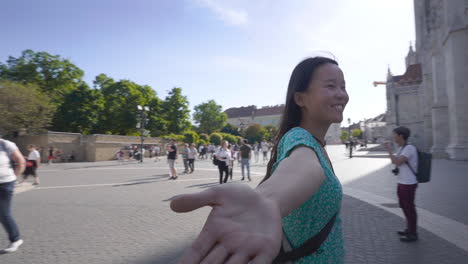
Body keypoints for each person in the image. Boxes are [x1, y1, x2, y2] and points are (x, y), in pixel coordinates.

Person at [170, 56, 348, 263]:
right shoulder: (299, 139)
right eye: (330, 86)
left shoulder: (315, 143)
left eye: (343, 87)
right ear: (300, 99)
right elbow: (302, 167)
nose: (341, 94)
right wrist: (268, 200)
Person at [384, 126, 419, 242]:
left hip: (409, 183)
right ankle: (409, 229)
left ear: (401, 136)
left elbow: (398, 162)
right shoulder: (401, 148)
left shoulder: (409, 148)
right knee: (404, 206)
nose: (393, 137)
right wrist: (391, 152)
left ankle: (413, 233)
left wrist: (389, 150)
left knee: (409, 207)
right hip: (402, 182)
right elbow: (395, 161)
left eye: (395, 135)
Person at [0, 137, 26, 253]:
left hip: (4, 184)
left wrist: (13, 178)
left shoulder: (6, 144)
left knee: (4, 214)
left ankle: (16, 239)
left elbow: (21, 162)